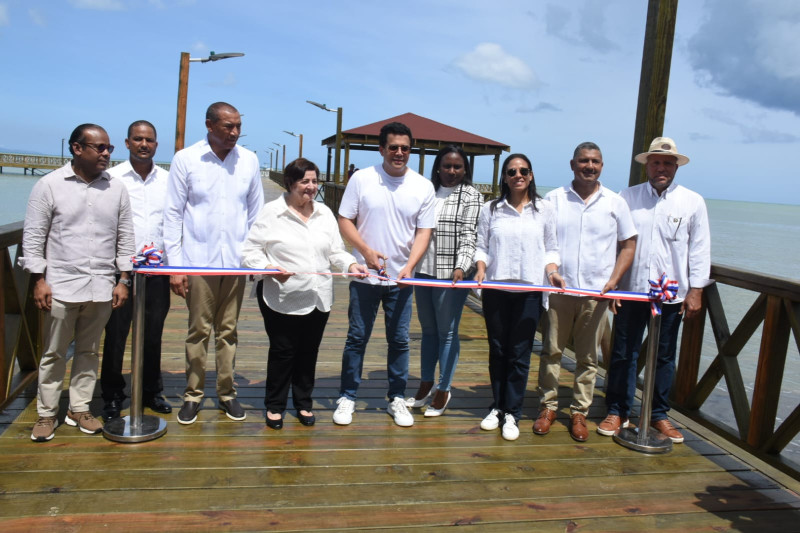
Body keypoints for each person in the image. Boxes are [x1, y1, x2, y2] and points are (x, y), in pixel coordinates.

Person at [21, 124, 135, 442]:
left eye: (109, 148)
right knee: (54, 352)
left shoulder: (116, 188)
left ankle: (80, 408)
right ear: (76, 148)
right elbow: (33, 236)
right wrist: (38, 279)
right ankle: (46, 413)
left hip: (101, 283)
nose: (106, 154)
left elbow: (126, 237)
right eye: (99, 147)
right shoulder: (49, 185)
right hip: (60, 284)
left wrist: (123, 279)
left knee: (88, 351)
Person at [598, 137, 711, 443]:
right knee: (623, 353)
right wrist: (614, 285)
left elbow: (700, 249)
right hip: (632, 291)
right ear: (647, 165)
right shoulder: (627, 197)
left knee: (663, 356)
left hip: (671, 296)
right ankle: (617, 410)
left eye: (668, 162)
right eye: (656, 162)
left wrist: (696, 289)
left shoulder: (693, 202)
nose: (662, 167)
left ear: (676, 166)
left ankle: (659, 415)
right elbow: (615, 244)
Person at [241, 158, 368, 429]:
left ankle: (303, 403)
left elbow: (335, 250)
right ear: (289, 183)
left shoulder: (324, 213)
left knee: (309, 352)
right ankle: (275, 406)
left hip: (318, 296)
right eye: (304, 181)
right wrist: (268, 268)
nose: (311, 187)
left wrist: (351, 264)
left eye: (314, 181)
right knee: (283, 351)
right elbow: (249, 251)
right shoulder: (271, 212)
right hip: (281, 296)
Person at [163, 102, 264, 425]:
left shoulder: (248, 160)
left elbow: (256, 215)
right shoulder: (186, 159)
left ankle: (227, 393)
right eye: (227, 127)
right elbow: (172, 214)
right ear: (209, 125)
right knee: (198, 331)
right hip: (197, 262)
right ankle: (193, 395)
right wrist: (176, 268)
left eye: (237, 126)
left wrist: (253, 261)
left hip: (235, 264)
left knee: (228, 332)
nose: (234, 133)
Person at [333, 122, 436, 427]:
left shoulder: (422, 186)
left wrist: (410, 266)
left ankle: (397, 398)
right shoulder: (363, 179)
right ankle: (348, 395)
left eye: (405, 148)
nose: (399, 153)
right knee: (357, 337)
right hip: (365, 276)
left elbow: (423, 231)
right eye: (393, 147)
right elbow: (345, 219)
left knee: (400, 340)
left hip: (401, 280)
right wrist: (365, 251)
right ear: (382, 149)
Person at [534, 142, 637, 442]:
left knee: (588, 357)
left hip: (596, 292)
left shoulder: (615, 202)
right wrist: (551, 271)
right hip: (559, 290)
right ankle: (548, 406)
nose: (589, 166)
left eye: (595, 161)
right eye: (583, 161)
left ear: (602, 165)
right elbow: (542, 242)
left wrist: (615, 279)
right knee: (551, 350)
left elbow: (628, 244)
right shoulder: (553, 200)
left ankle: (580, 411)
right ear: (572, 164)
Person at [474, 153, 565, 441]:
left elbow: (551, 247)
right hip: (496, 289)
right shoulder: (491, 209)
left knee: (520, 353)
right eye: (512, 171)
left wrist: (552, 272)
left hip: (530, 291)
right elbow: (481, 246)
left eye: (523, 170)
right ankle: (497, 407)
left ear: (531, 174)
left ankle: (513, 411)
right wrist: (479, 269)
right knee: (498, 349)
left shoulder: (545, 209)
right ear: (504, 177)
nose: (518, 175)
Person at [100, 120, 172, 421]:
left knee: (153, 334)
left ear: (156, 145)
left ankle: (151, 391)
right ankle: (113, 395)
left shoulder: (169, 180)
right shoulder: (110, 178)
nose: (144, 144)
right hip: (120, 271)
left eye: (150, 140)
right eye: (138, 139)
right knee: (115, 334)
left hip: (157, 271)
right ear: (127, 143)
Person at [406, 146, 482, 417]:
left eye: (457, 167)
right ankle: (426, 382)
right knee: (428, 330)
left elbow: (469, 236)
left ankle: (444, 387)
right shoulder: (427, 191)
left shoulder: (471, 196)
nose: (452, 171)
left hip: (450, 273)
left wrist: (462, 267)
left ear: (465, 170)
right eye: (447, 166)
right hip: (423, 271)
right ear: (437, 167)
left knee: (447, 331)